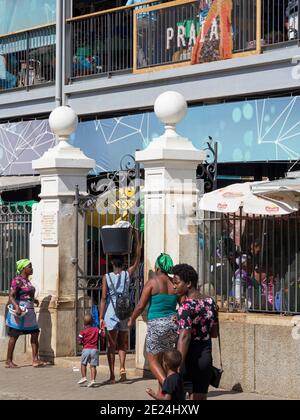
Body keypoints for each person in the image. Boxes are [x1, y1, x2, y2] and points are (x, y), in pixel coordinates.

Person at [128, 253, 178, 392]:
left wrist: (132, 319)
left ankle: (170, 389)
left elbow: (140, 306)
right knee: (165, 361)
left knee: (153, 361)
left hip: (157, 325)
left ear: (157, 267)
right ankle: (162, 394)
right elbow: (183, 303)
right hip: (172, 325)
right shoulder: (174, 283)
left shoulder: (152, 283)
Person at [99, 231, 141, 384]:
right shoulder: (127, 274)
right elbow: (137, 257)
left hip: (111, 312)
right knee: (123, 343)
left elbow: (104, 298)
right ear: (123, 263)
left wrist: (101, 317)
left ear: (111, 263)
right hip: (124, 311)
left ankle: (112, 375)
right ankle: (122, 367)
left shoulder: (106, 277)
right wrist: (136, 238)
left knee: (112, 345)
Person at [173, 264, 219, 401]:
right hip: (205, 356)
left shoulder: (186, 306)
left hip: (188, 358)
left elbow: (185, 337)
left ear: (188, 283)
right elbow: (214, 333)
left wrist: (177, 365)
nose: (174, 286)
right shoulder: (210, 302)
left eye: (177, 283)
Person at [5, 259, 45, 368]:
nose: (32, 269)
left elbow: (27, 294)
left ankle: (35, 360)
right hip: (20, 313)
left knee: (35, 333)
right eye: (29, 266)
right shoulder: (17, 280)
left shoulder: (27, 281)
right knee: (14, 336)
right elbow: (11, 296)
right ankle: (8, 361)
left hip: (29, 312)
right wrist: (17, 307)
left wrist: (34, 300)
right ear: (23, 268)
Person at [78, 314, 102, 388]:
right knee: (93, 366)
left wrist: (81, 343)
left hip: (86, 349)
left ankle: (84, 377)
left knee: (83, 364)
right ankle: (93, 380)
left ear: (84, 323)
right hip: (94, 349)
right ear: (92, 322)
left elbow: (79, 341)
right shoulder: (96, 330)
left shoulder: (83, 331)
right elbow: (102, 335)